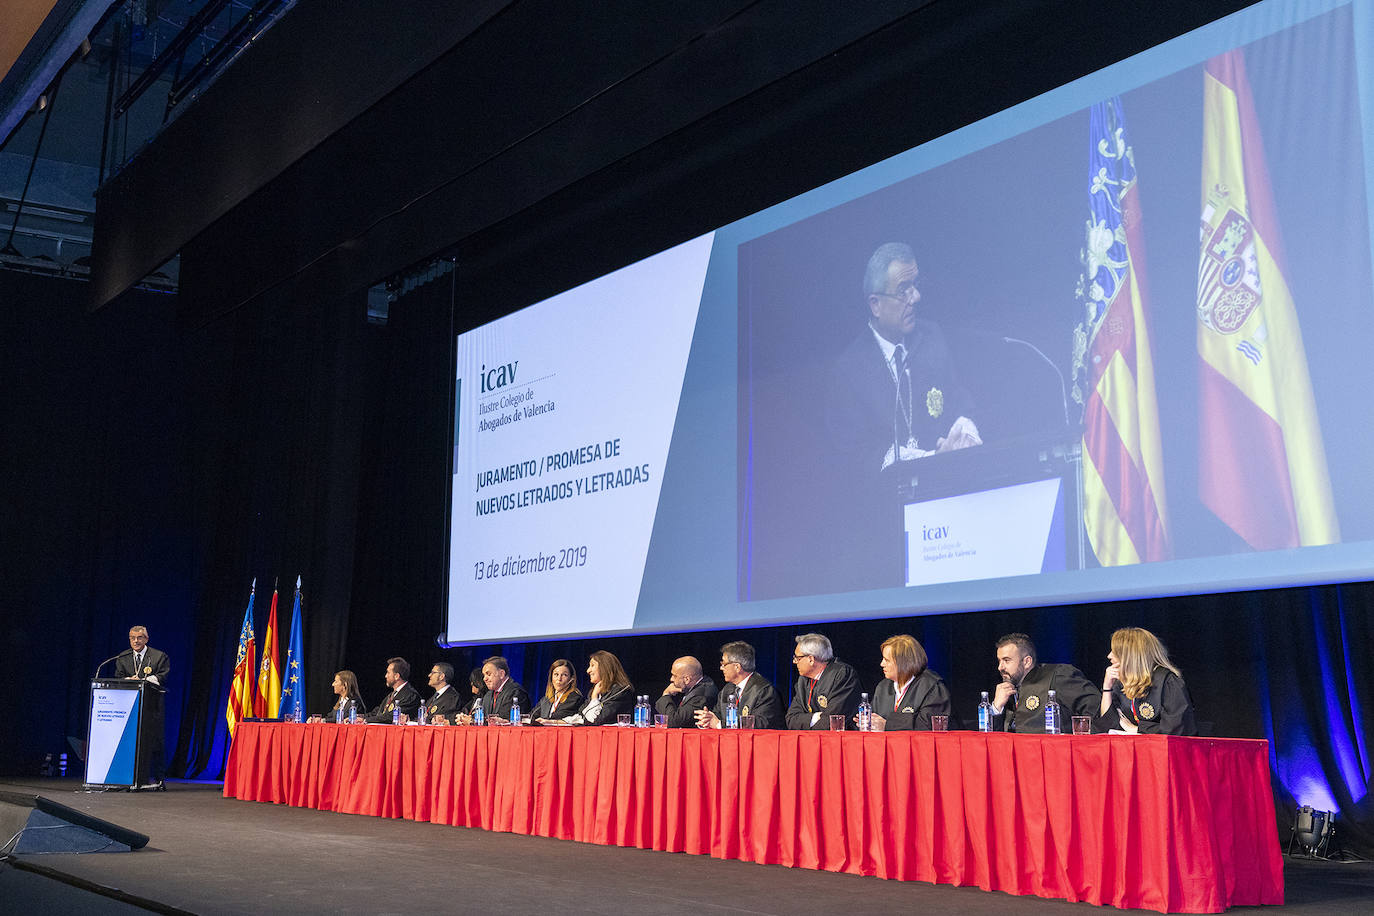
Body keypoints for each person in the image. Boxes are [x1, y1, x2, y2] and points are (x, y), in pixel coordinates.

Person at [827, 242, 981, 475]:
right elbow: (856, 455)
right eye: (903, 290)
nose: (916, 297)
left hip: (949, 483)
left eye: (915, 286)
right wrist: (931, 459)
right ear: (875, 305)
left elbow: (957, 400)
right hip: (885, 502)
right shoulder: (850, 370)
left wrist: (965, 432)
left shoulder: (932, 337)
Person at [990, 633, 1100, 733]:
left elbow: (1096, 710)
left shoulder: (1057, 675)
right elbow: (997, 740)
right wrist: (996, 708)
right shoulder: (1007, 690)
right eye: (999, 661)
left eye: (1006, 660)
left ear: (1027, 662)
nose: (1000, 667)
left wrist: (1078, 743)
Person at [1095, 627, 1196, 735]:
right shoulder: (1120, 682)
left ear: (1131, 656)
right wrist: (1107, 687)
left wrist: (1137, 729)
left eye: (1115, 651)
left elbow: (1175, 729)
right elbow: (1107, 726)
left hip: (1164, 750)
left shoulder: (1167, 682)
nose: (1109, 656)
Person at [114, 626, 169, 789]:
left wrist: (144, 680)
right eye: (132, 638)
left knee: (155, 742)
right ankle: (128, 777)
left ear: (146, 639)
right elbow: (118, 677)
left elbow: (163, 676)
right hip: (128, 706)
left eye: (139, 637)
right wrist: (128, 679)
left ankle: (159, 780)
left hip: (152, 706)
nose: (136, 641)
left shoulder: (159, 656)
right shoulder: (122, 657)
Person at [867, 634, 955, 731]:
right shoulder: (883, 687)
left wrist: (888, 725)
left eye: (887, 660)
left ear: (904, 662)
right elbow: (875, 718)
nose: (882, 664)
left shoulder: (932, 686)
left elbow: (929, 724)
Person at [695, 641, 784, 729]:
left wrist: (720, 725)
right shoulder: (727, 689)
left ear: (737, 667)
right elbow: (717, 715)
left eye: (724, 664)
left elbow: (762, 723)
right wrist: (707, 719)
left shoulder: (764, 690)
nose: (721, 668)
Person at [785, 633, 861, 730]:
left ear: (811, 659)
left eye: (798, 658)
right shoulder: (803, 680)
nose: (794, 662)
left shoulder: (842, 675)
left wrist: (807, 725)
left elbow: (833, 721)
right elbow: (791, 719)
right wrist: (816, 717)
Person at [549, 651, 635, 726]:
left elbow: (596, 720)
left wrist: (594, 698)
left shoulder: (620, 691)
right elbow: (580, 716)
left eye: (592, 665)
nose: (588, 670)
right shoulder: (595, 691)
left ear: (604, 667)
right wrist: (554, 722)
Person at [654, 656, 718, 728]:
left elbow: (673, 722)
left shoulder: (701, 695)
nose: (671, 679)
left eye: (674, 676)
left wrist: (666, 694)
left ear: (687, 679)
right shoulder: (693, 687)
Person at [364, 657, 422, 723]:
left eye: (388, 673)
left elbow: (391, 716)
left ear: (396, 676)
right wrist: (360, 717)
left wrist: (366, 720)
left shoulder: (410, 695)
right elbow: (378, 712)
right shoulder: (392, 695)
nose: (386, 676)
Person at [531, 659, 584, 723]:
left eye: (564, 675)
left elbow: (557, 716)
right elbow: (532, 715)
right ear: (551, 677)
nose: (559, 679)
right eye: (556, 674)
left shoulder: (575, 699)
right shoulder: (546, 699)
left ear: (571, 679)